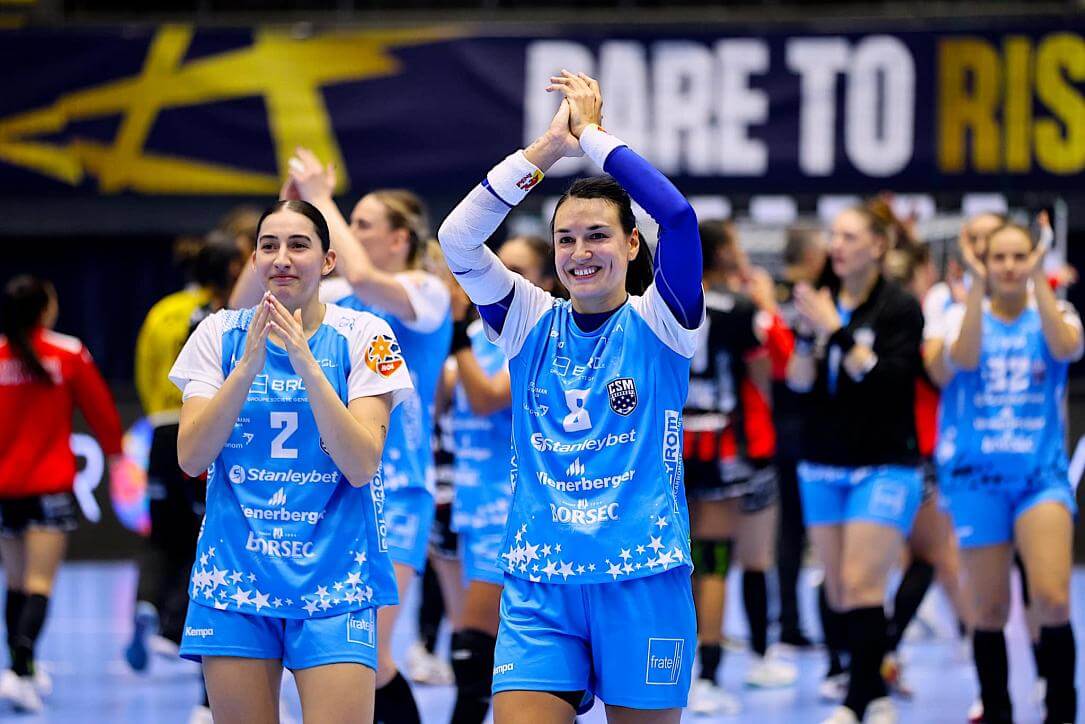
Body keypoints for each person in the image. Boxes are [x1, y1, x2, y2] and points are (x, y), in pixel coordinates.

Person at [439, 71, 703, 724]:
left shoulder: (663, 321)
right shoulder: (526, 318)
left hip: (642, 582)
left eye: (598, 235)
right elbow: (457, 241)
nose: (580, 252)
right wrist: (547, 151)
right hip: (540, 587)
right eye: (565, 239)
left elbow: (677, 216)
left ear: (632, 244)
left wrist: (593, 138)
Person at [169, 200, 412, 723]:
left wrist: (306, 361)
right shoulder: (218, 334)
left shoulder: (366, 335)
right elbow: (191, 456)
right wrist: (247, 367)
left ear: (327, 260)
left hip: (336, 581)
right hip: (234, 580)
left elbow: (361, 464)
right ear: (254, 260)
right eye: (269, 246)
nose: (282, 258)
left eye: (298, 245)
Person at [268, 155, 452, 723]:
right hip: (333, 489)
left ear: (399, 239)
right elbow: (249, 302)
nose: (348, 229)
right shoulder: (336, 292)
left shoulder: (424, 291)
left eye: (362, 223)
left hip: (397, 492)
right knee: (335, 656)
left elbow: (370, 280)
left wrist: (322, 197)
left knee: (369, 652)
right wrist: (290, 211)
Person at [931, 221, 1081, 724]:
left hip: (1040, 479)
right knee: (989, 611)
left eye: (1021, 257)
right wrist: (977, 289)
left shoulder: (1056, 313)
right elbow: (960, 359)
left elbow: (1067, 349)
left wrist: (1041, 279)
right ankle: (997, 710)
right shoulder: (958, 316)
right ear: (984, 263)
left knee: (1053, 600)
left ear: (1034, 260)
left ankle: (1061, 710)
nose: (1011, 267)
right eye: (1000, 258)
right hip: (976, 481)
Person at [787, 204, 925, 724]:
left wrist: (837, 332)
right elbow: (798, 382)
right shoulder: (821, 297)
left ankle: (856, 702)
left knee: (863, 583)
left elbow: (889, 381)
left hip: (884, 461)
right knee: (841, 590)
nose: (836, 245)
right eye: (834, 236)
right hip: (823, 460)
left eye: (848, 236)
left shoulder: (899, 307)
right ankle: (875, 688)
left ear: (878, 245)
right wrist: (808, 334)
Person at [684, 220, 796, 717]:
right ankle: (707, 675)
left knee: (689, 559)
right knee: (715, 560)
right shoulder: (740, 307)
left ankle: (703, 663)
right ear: (722, 251)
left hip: (673, 440)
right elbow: (770, 371)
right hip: (724, 443)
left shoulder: (664, 297)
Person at [446, 234, 558, 723]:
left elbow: (488, 397)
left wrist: (453, 333)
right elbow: (438, 397)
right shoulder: (476, 335)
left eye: (518, 271)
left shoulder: (539, 338)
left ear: (544, 282)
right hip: (471, 505)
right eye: (497, 267)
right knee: (476, 646)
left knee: (473, 645)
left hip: (512, 509)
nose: (502, 280)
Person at [0, 275, 124, 713]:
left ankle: (21, 670)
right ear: (46, 309)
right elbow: (100, 409)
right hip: (48, 485)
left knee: (15, 581)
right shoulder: (68, 352)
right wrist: (116, 454)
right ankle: (21, 670)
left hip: (5, 488)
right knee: (39, 583)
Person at [127, 231, 248, 673]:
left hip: (163, 428)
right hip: (207, 426)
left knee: (162, 536)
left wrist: (159, 412)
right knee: (204, 531)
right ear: (233, 269)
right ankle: (176, 623)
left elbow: (144, 369)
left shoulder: (163, 311)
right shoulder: (230, 315)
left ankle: (148, 603)